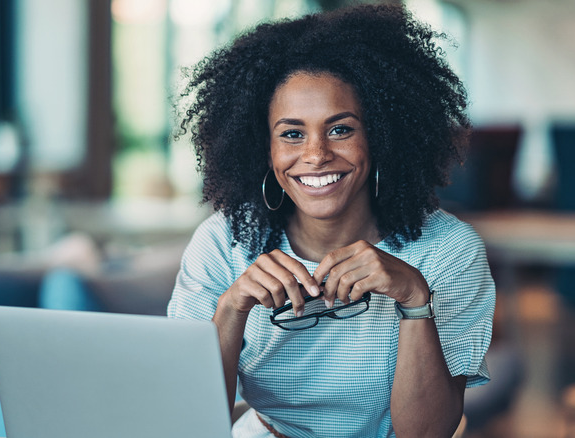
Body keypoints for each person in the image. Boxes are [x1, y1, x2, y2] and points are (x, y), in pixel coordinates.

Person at [168, 4, 495, 437]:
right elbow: (183, 418)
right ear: (263, 148)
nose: (316, 154)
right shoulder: (222, 243)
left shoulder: (448, 251)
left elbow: (427, 434)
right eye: (292, 133)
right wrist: (232, 308)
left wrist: (416, 300)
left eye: (340, 129)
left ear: (379, 135)